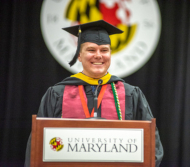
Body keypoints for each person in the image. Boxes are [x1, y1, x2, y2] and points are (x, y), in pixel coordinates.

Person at [25, 20, 163, 166]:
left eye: (104, 50)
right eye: (91, 50)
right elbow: (37, 145)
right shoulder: (57, 94)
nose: (98, 55)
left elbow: (152, 146)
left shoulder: (130, 94)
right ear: (79, 55)